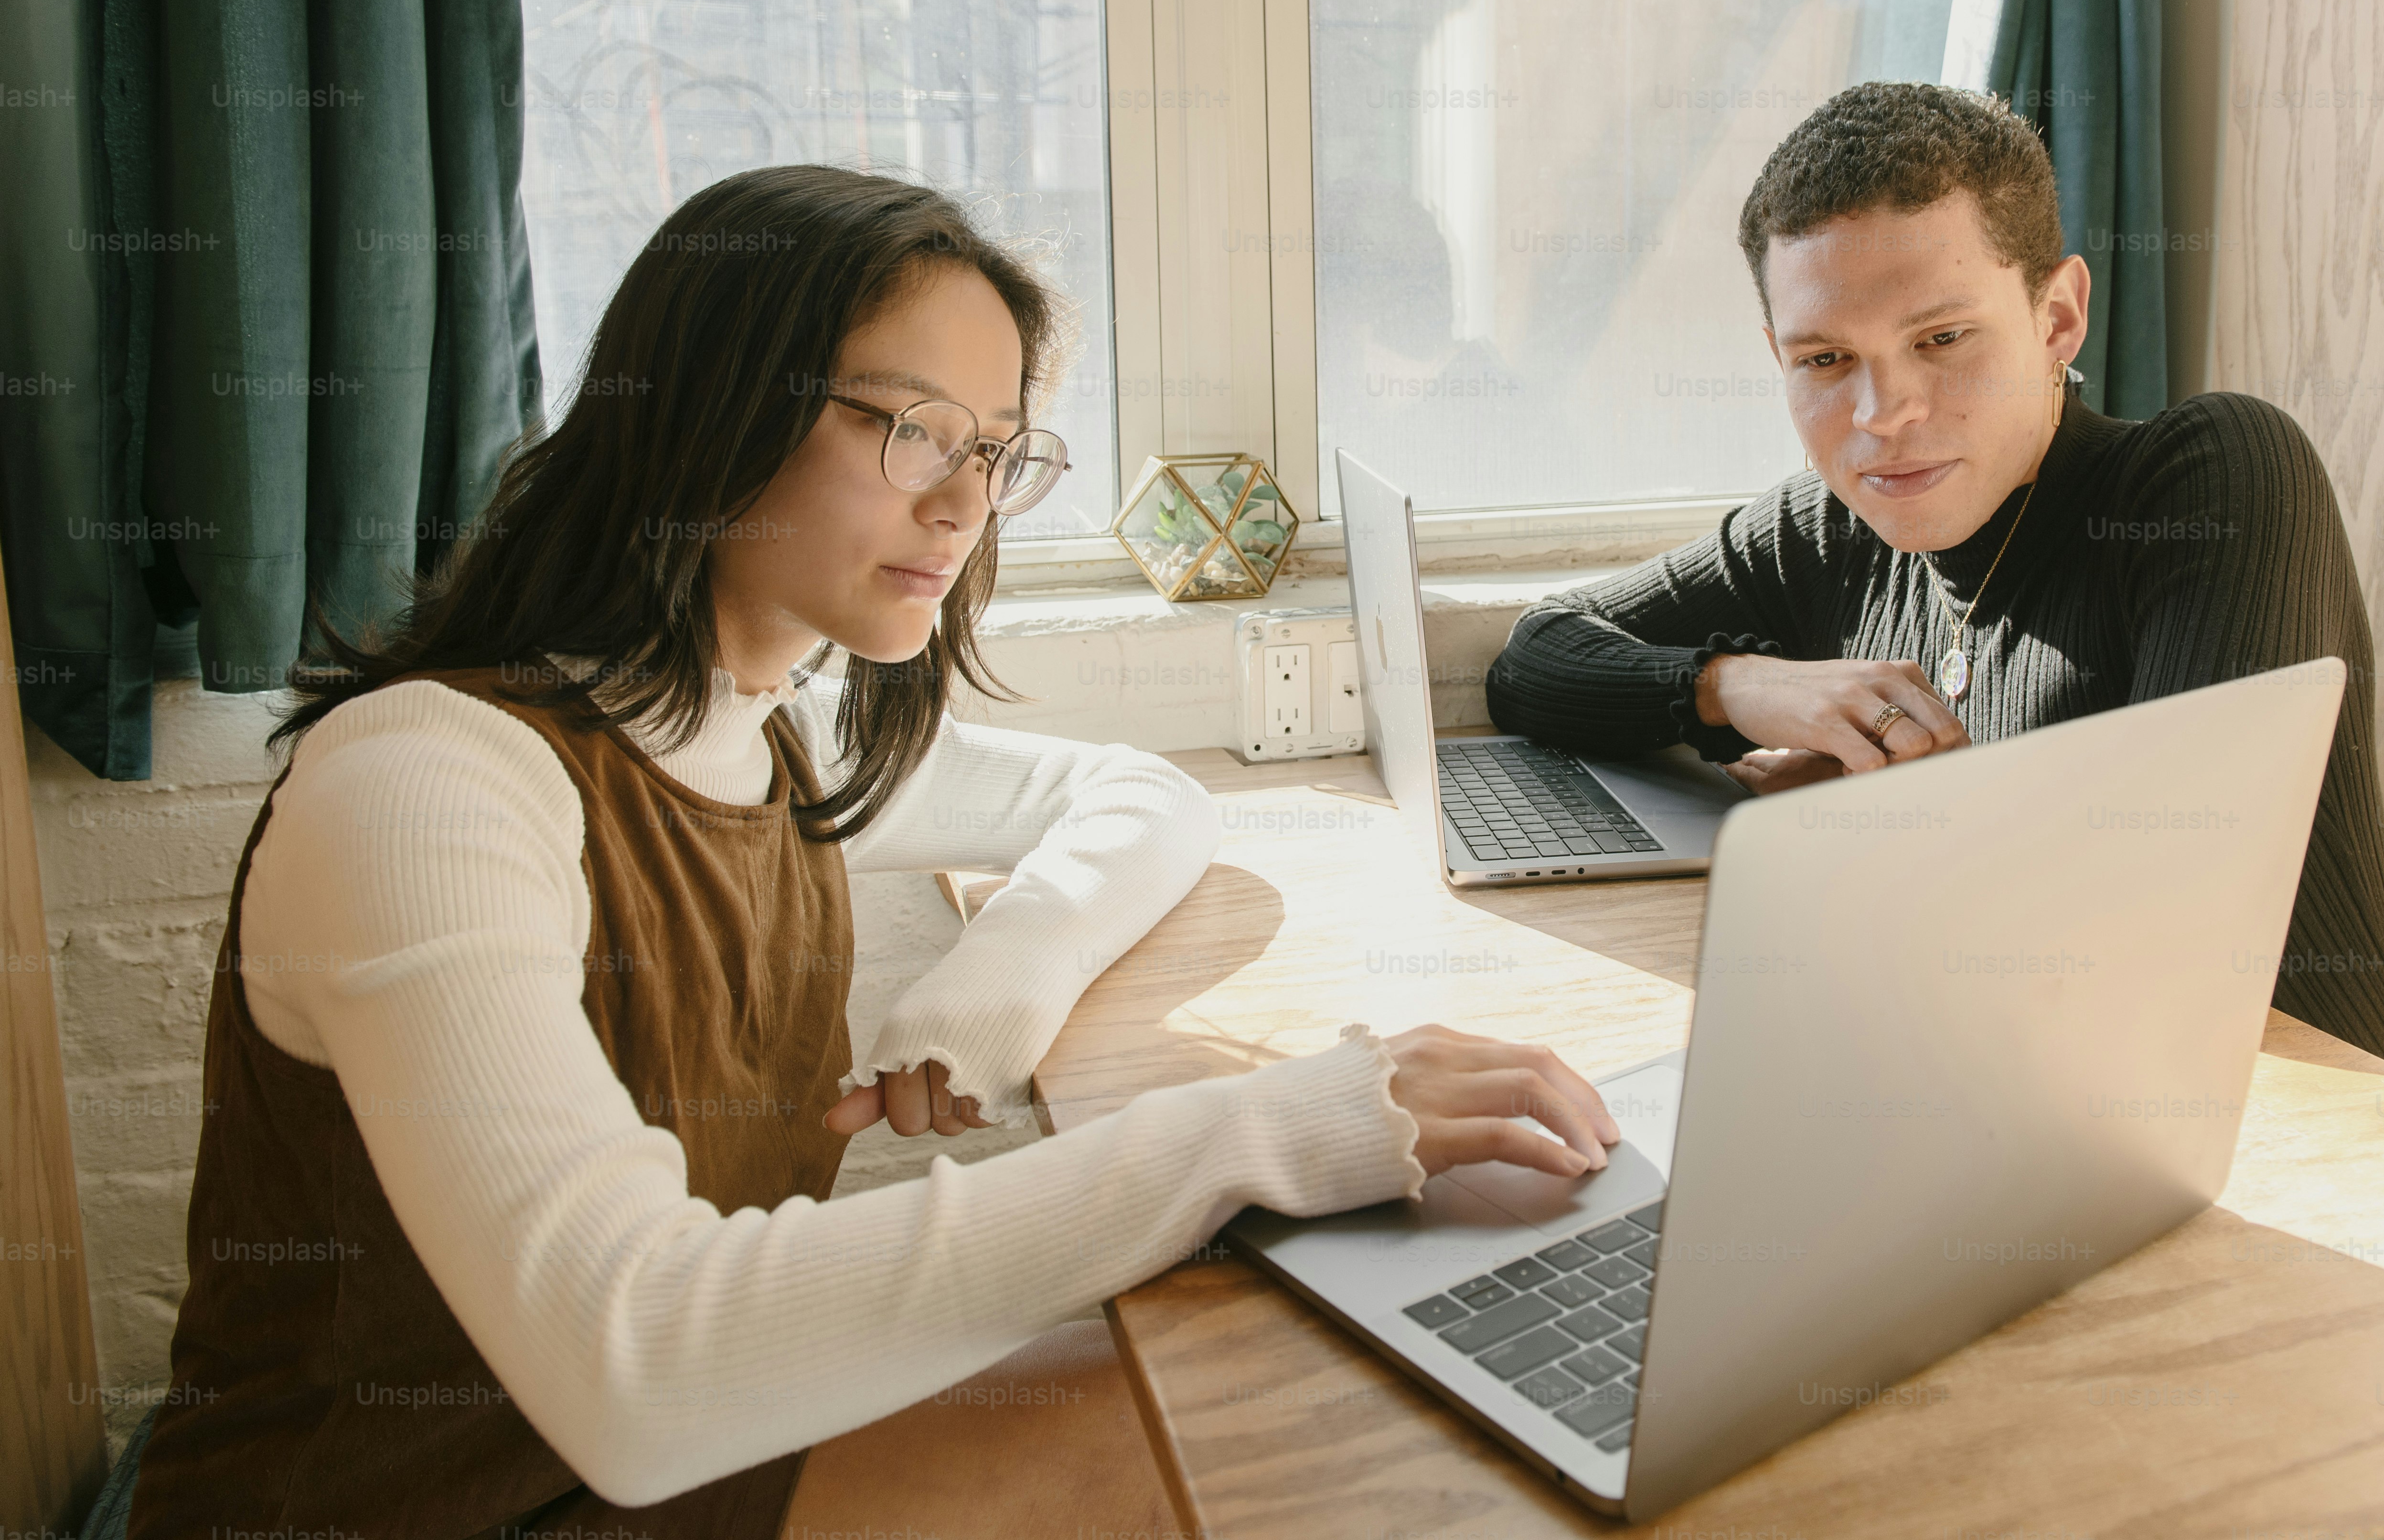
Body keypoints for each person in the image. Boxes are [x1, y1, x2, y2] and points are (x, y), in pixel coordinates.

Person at [123, 166, 1620, 1534]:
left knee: (1224, 1366)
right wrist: (1250, 1131)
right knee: (1188, 1438)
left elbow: (1143, 801)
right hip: (451, 1500)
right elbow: (637, 1363)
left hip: (651, 1466)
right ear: (713, 409)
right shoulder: (426, 786)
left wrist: (993, 992)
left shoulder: (770, 725)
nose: (966, 504)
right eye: (909, 430)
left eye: (999, 452)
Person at [1485, 84, 2384, 1082]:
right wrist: (1747, 688)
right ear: (1779, 357)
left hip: (2340, 1143)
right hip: (2011, 1112)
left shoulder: (2209, 477)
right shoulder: (1827, 530)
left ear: (2058, 317)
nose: (1883, 412)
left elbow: (2169, 919)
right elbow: (1536, 656)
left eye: (1942, 338)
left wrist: (1893, 827)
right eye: (1825, 358)